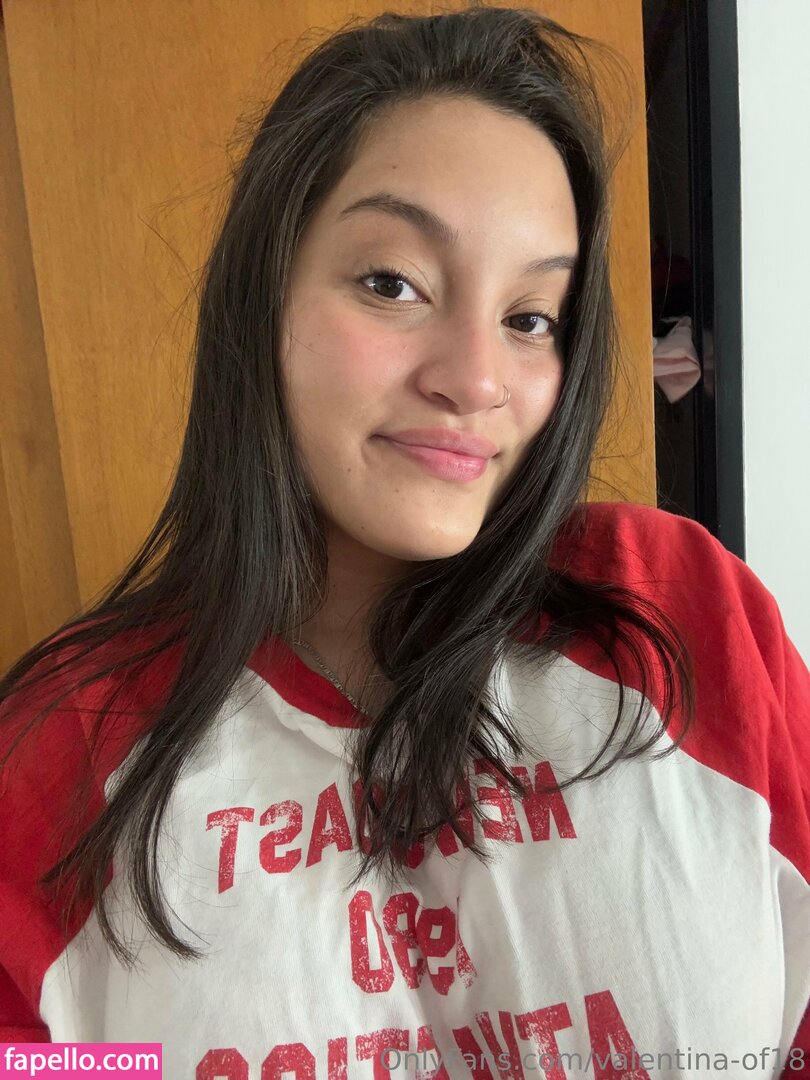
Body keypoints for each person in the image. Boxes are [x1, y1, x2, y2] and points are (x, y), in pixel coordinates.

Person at [0, 5, 807, 1076]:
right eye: (393, 283)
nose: (476, 380)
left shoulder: (677, 605)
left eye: (530, 317)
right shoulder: (65, 743)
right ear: (265, 296)